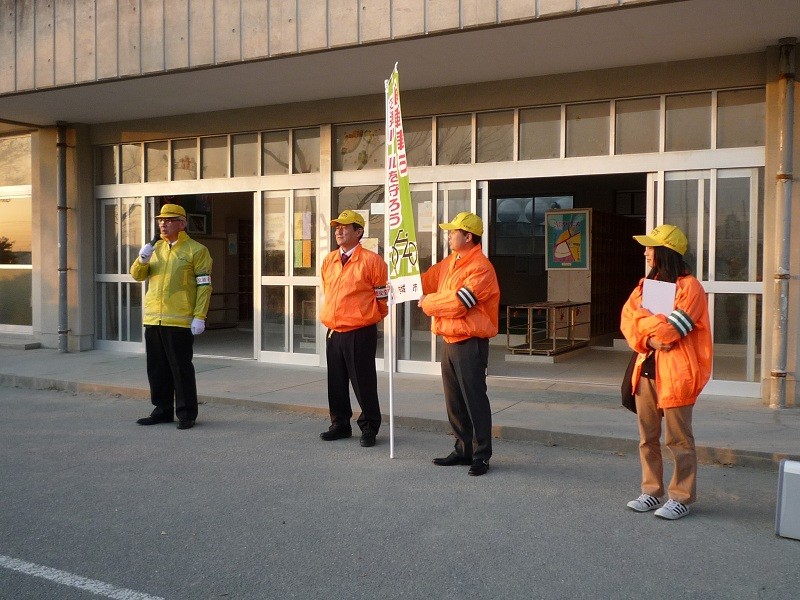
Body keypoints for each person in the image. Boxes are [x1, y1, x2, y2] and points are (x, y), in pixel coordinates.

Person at [620, 224, 712, 519]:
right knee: (647, 439)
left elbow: (674, 329)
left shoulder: (691, 288)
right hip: (645, 374)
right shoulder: (645, 285)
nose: (646, 252)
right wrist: (649, 338)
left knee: (679, 440)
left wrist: (645, 324)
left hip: (677, 377)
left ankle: (681, 497)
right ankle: (651, 491)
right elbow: (627, 321)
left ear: (665, 252)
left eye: (650, 247)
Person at [418, 212, 500, 476]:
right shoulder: (451, 262)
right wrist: (402, 280)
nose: (449, 235)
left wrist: (428, 303)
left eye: (454, 231)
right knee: (454, 401)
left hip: (470, 343)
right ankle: (463, 449)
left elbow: (460, 302)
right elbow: (426, 280)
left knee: (474, 400)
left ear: (468, 236)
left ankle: (481, 455)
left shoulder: (481, 268)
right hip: (450, 341)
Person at [130, 203, 213, 430]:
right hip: (154, 319)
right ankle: (162, 410)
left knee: (180, 369)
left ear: (182, 223)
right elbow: (137, 276)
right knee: (157, 369)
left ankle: (187, 414)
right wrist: (142, 259)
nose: (163, 224)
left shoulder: (196, 250)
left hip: (179, 319)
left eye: (169, 220)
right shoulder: (154, 249)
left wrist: (199, 316)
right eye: (160, 220)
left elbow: (204, 286)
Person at [320, 210, 389, 447]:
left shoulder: (372, 260)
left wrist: (369, 318)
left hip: (360, 329)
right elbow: (329, 290)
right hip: (334, 329)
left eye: (345, 227)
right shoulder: (329, 260)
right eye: (337, 227)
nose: (339, 231)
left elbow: (382, 297)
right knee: (336, 381)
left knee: (363, 381)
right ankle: (339, 423)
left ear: (358, 232)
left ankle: (369, 427)